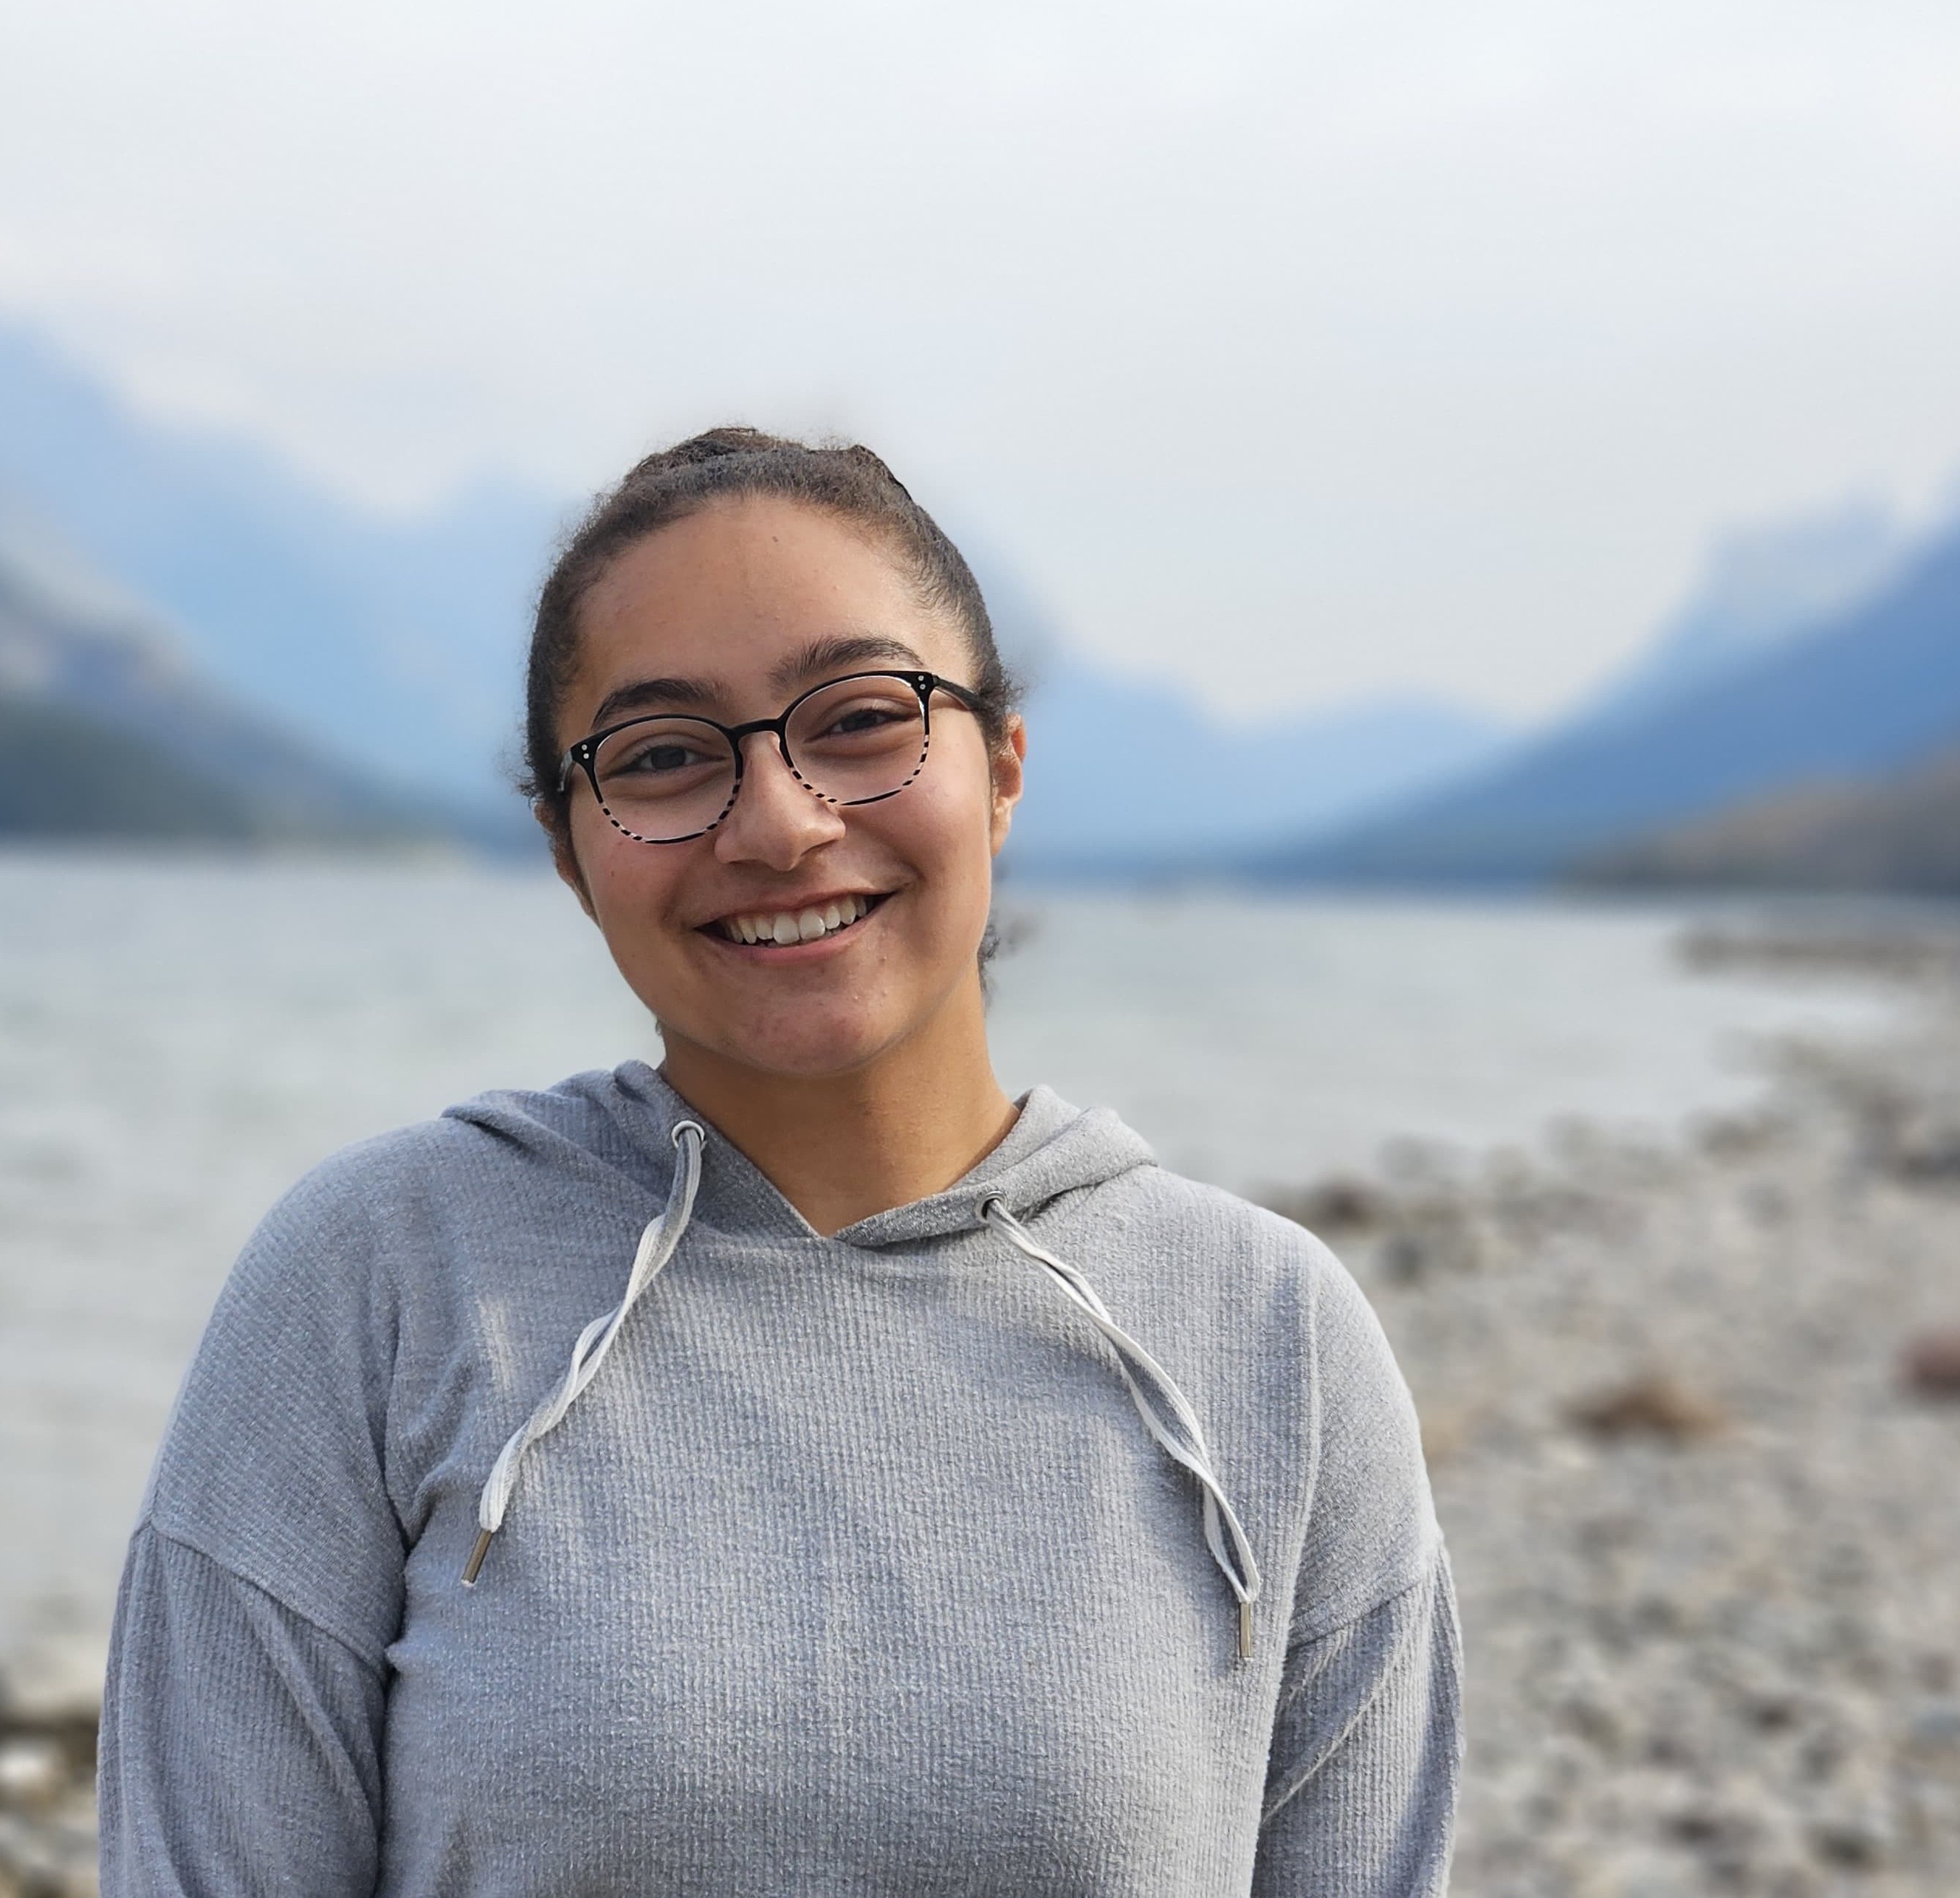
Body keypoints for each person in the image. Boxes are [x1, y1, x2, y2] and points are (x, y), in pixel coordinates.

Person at [100, 428, 1459, 1895]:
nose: (781, 822)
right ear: (569, 849)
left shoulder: (1267, 1334)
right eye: (665, 755)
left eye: (862, 718)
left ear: (997, 768)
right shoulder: (377, 1277)